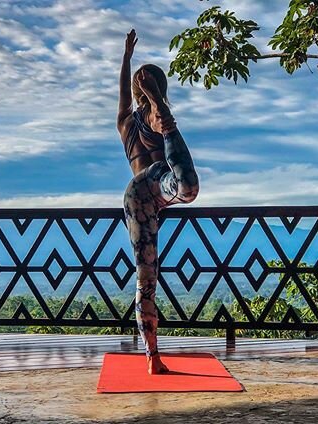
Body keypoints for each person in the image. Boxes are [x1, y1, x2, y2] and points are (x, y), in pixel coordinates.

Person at [117, 29, 200, 374]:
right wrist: (154, 97)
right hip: (154, 183)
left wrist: (126, 58)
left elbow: (122, 95)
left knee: (145, 278)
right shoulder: (154, 116)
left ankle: (153, 358)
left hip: (134, 198)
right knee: (188, 188)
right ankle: (152, 357)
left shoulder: (123, 122)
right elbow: (159, 115)